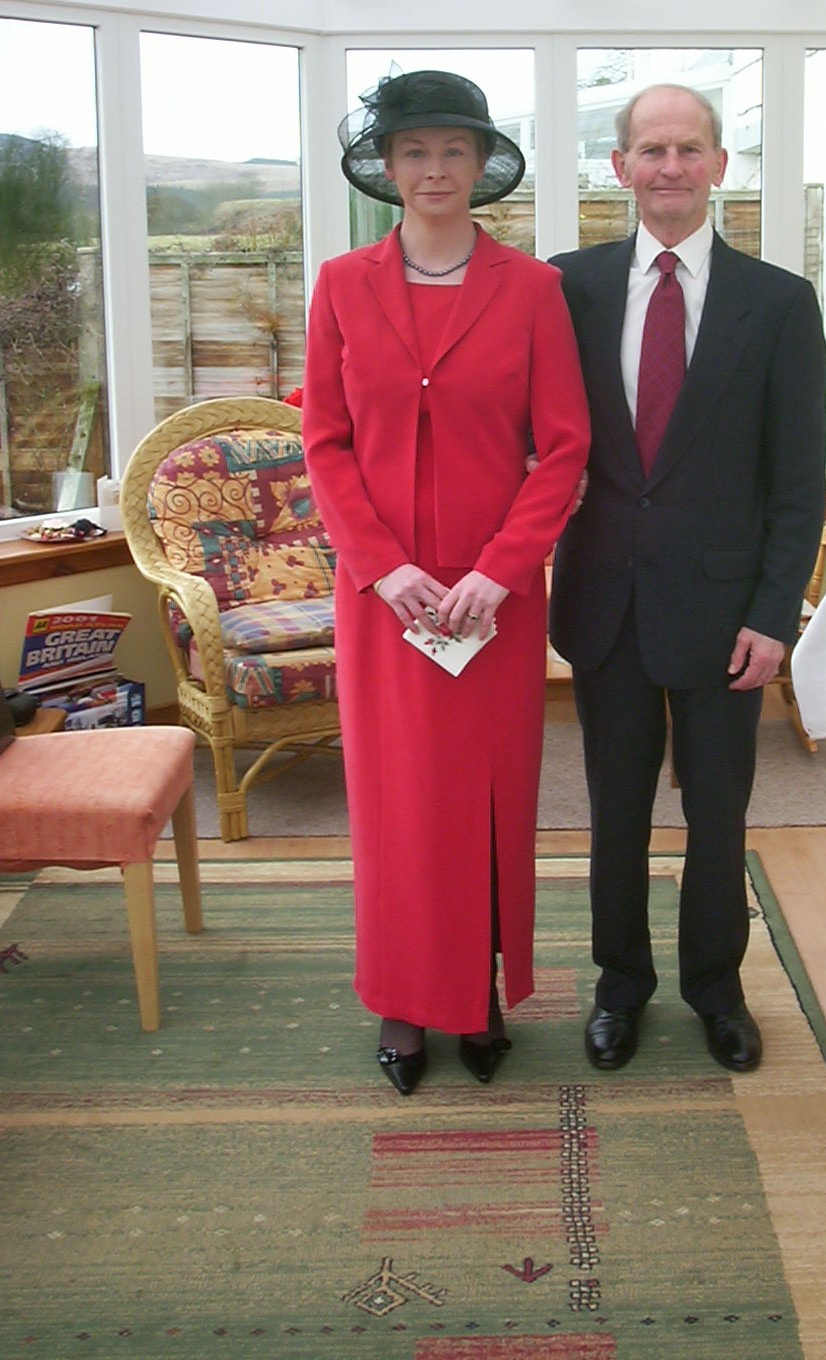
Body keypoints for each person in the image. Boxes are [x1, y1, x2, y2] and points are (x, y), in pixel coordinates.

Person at [303, 69, 589, 1096]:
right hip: (388, 603)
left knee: (484, 801)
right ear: (387, 168)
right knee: (398, 808)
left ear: (479, 165)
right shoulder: (341, 284)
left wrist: (502, 572)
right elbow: (324, 441)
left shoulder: (534, 290)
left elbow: (564, 448)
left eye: (452, 151)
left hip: (488, 605)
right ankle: (400, 999)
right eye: (414, 152)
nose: (433, 169)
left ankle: (478, 992)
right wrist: (382, 569)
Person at [549, 83, 826, 1075]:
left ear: (717, 165)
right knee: (614, 816)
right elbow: (528, 429)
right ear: (619, 166)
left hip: (725, 615)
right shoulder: (564, 288)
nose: (669, 166)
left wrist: (774, 616)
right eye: (650, 149)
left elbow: (795, 483)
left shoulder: (778, 304)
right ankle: (619, 987)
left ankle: (718, 990)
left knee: (717, 818)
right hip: (605, 602)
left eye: (688, 148)